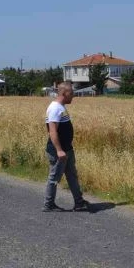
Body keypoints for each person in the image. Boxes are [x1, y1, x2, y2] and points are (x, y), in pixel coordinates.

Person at [43, 81, 89, 212]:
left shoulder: (61, 107)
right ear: (64, 93)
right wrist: (59, 150)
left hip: (66, 149)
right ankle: (48, 204)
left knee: (72, 176)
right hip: (59, 151)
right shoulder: (55, 108)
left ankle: (79, 202)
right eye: (71, 93)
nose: (73, 96)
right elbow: (52, 131)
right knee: (54, 178)